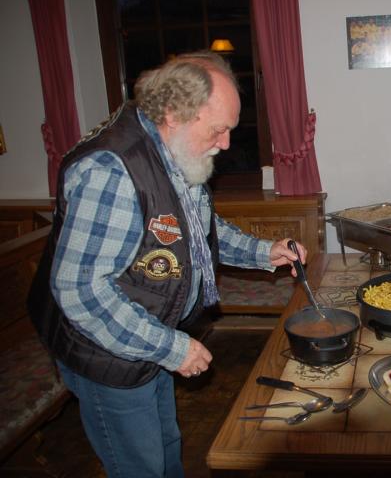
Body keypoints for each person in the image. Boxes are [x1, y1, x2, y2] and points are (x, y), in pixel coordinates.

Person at [28, 50, 308, 477]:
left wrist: (263, 251)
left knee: (166, 447)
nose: (226, 144)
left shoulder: (173, 150)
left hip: (147, 334)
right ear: (174, 114)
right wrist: (171, 348)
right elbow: (80, 289)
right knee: (141, 466)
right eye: (218, 129)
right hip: (107, 352)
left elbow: (197, 228)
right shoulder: (111, 170)